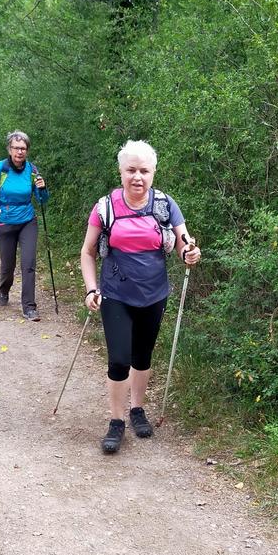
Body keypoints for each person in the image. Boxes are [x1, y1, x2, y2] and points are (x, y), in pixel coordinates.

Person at [80, 139, 201, 453]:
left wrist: (189, 252)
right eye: (131, 170)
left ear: (153, 173)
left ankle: (137, 409)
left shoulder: (165, 205)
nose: (137, 176)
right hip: (115, 294)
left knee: (142, 356)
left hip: (153, 294)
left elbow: (183, 241)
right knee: (119, 359)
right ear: (121, 172)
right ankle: (116, 421)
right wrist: (91, 288)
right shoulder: (105, 207)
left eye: (144, 171)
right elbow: (88, 252)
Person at [0, 130, 49, 321]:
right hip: (5, 220)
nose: (20, 152)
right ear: (9, 149)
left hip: (28, 220)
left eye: (23, 148)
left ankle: (29, 307)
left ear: (27, 150)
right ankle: (4, 290)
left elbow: (42, 200)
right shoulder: (0, 168)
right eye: (16, 148)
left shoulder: (32, 170)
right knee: (8, 265)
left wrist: (43, 189)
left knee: (29, 264)